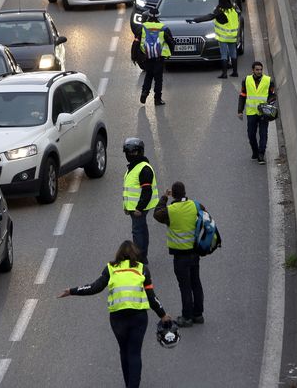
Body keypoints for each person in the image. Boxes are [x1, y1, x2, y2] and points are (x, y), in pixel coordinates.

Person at [58, 240, 172, 388]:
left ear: (118, 254)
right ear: (135, 254)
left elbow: (95, 287)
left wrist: (72, 291)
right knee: (134, 353)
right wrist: (162, 315)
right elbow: (151, 297)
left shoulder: (110, 268)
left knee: (124, 351)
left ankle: (128, 384)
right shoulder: (142, 269)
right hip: (138, 317)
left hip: (118, 319)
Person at [154, 181, 205, 328]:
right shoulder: (195, 206)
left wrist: (164, 198)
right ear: (185, 193)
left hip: (180, 256)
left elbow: (157, 214)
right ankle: (198, 314)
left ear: (173, 194)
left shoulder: (170, 210)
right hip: (194, 253)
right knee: (196, 283)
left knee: (185, 286)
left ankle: (187, 317)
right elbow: (205, 216)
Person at [187, 0, 240, 78]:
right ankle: (235, 72)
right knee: (233, 53)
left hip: (223, 37)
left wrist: (195, 20)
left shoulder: (219, 11)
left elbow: (208, 17)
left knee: (224, 55)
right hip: (233, 36)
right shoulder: (233, 10)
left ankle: (224, 73)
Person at [122, 138, 159, 263]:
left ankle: (139, 258)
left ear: (140, 152)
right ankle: (142, 256)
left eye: (134, 152)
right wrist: (127, 207)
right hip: (134, 207)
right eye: (128, 152)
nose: (130, 155)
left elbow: (147, 191)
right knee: (142, 229)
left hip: (139, 208)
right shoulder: (134, 167)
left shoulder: (144, 169)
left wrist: (139, 208)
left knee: (138, 232)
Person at [131, 7, 174, 105]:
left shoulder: (142, 27)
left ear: (148, 16)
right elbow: (171, 42)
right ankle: (157, 99)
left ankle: (144, 92)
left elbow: (136, 43)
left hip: (146, 56)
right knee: (158, 78)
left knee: (149, 75)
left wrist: (134, 57)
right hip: (159, 57)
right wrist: (170, 53)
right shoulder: (164, 28)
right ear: (158, 16)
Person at [237, 61, 276, 164]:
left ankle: (261, 155)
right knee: (251, 135)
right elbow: (242, 95)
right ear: (253, 70)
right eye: (257, 69)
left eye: (260, 69)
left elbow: (272, 95)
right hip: (251, 112)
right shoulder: (246, 80)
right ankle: (255, 151)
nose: (259, 71)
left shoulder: (268, 80)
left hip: (264, 112)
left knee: (263, 134)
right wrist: (240, 110)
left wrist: (267, 104)